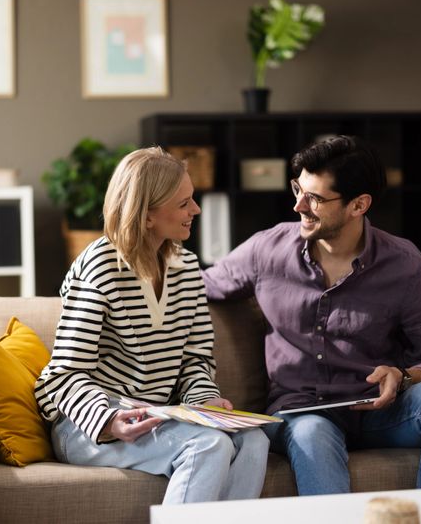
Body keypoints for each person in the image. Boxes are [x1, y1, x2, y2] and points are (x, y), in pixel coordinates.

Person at [201, 135, 421, 495]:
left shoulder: (406, 266)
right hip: (302, 413)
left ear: (358, 204)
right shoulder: (266, 250)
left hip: (382, 411)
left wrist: (404, 376)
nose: (299, 205)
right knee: (312, 432)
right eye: (298, 189)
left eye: (315, 198)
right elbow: (197, 285)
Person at [34, 146, 269, 504]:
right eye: (184, 203)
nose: (196, 210)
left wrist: (205, 403)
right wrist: (109, 420)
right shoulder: (99, 265)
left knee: (254, 439)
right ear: (146, 216)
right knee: (207, 445)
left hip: (160, 416)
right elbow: (64, 375)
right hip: (88, 427)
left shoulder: (188, 268)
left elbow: (195, 361)